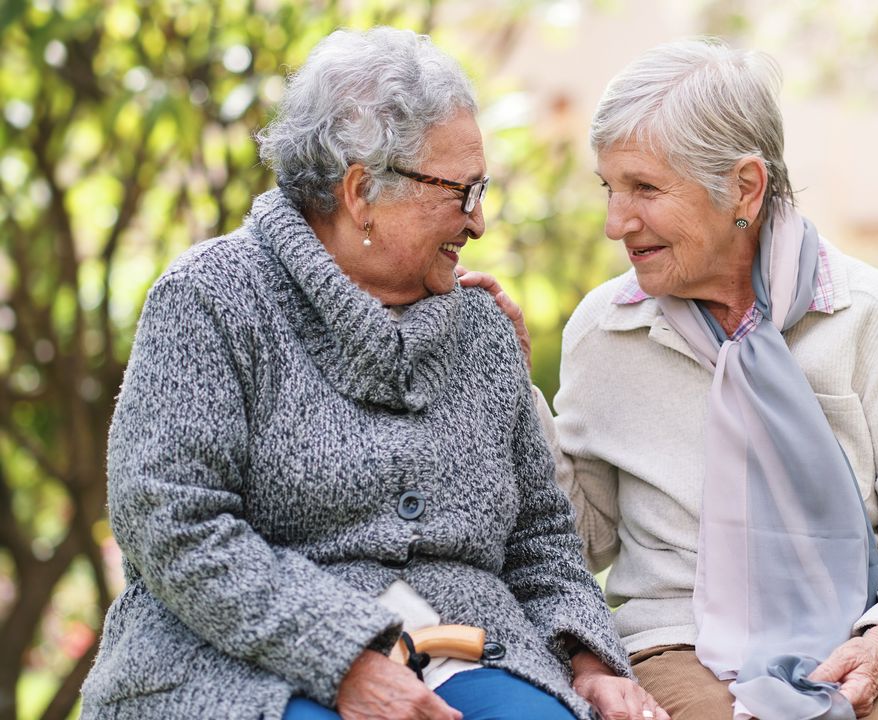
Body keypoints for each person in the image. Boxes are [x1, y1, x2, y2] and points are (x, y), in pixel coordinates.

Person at [79, 27, 667, 720]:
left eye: (484, 191)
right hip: (248, 657)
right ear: (362, 192)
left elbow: (540, 537)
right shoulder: (210, 300)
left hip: (473, 647)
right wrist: (343, 657)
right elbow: (174, 525)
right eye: (462, 192)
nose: (478, 222)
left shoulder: (479, 328)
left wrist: (591, 664)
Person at [467, 38, 878, 720]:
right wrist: (514, 391)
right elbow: (581, 538)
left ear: (743, 187)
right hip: (679, 642)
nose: (614, 223)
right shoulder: (606, 332)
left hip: (867, 634)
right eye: (610, 188)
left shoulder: (870, 318)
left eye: (645, 189)